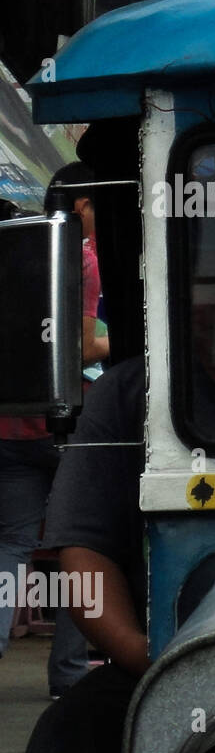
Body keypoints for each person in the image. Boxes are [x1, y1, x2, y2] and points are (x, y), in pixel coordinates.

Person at [0, 162, 109, 699]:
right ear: (83, 206)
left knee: (12, 546)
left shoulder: (11, 248)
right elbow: (84, 346)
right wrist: (138, 343)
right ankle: (68, 676)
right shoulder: (79, 257)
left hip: (10, 425)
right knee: (79, 546)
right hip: (66, 425)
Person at [25, 356, 146, 753]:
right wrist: (136, 650)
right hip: (160, 657)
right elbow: (85, 545)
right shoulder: (128, 391)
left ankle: (66, 672)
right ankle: (67, 674)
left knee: (11, 546)